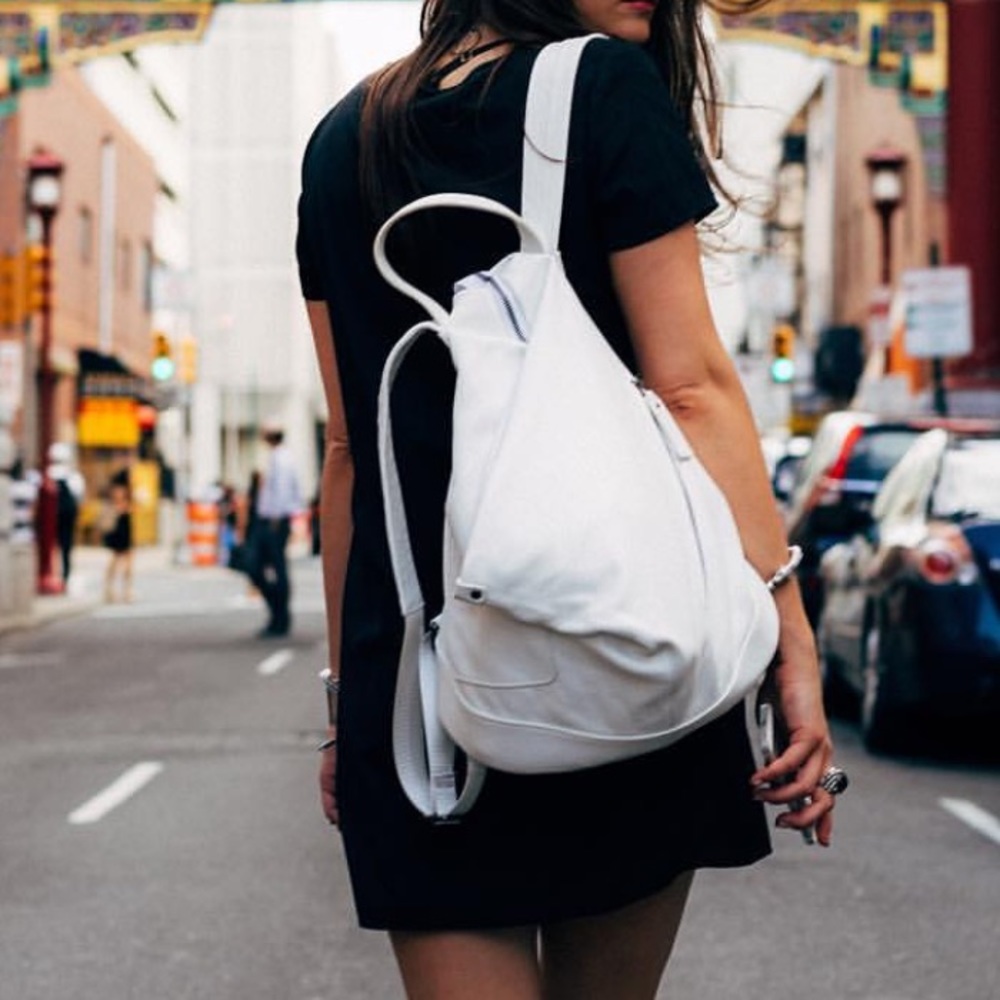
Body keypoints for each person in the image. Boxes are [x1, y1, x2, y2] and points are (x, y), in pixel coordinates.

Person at [297, 0, 839, 994]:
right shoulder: (601, 90)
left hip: (421, 689)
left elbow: (348, 451)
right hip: (613, 645)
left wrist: (348, 708)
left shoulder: (341, 140)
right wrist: (787, 639)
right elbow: (690, 390)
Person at [248, 423, 302, 638]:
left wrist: (276, 521)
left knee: (272, 569)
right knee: (259, 567)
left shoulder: (281, 459)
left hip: (274, 522)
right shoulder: (277, 458)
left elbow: (282, 492)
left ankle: (280, 617)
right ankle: (278, 613)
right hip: (271, 520)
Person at [47, 442, 85, 587]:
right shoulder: (72, 477)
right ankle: (64, 576)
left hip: (51, 519)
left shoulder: (48, 474)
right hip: (67, 519)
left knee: (51, 547)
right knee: (66, 547)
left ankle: (53, 574)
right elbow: (79, 497)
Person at [103, 474, 133, 603]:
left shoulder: (128, 502)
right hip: (117, 533)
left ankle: (126, 590)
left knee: (128, 563)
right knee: (115, 561)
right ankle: (110, 590)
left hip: (126, 533)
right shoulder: (113, 503)